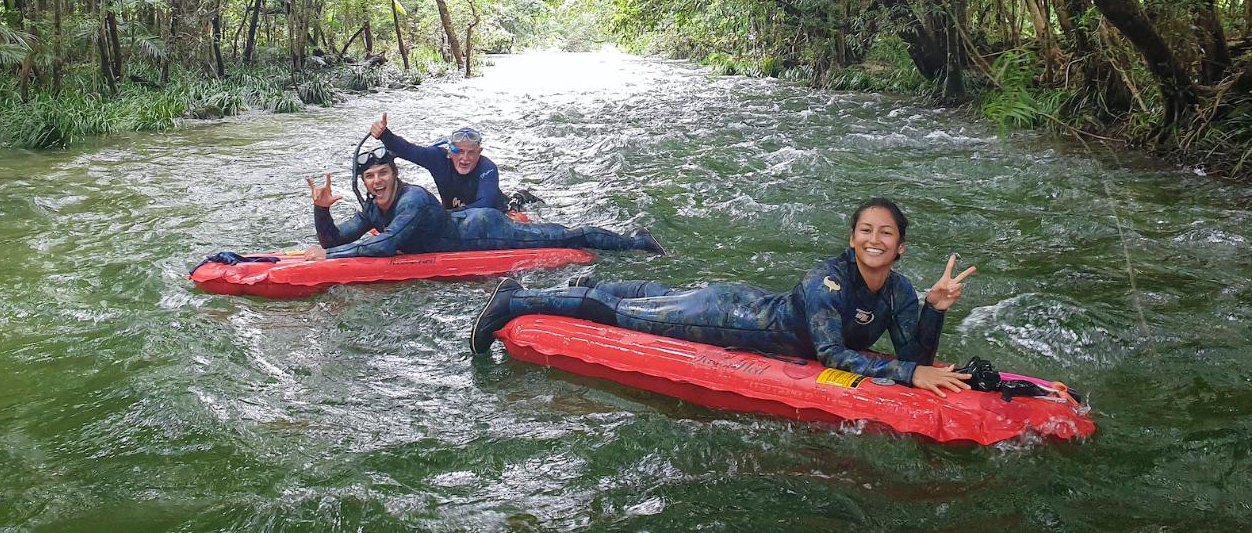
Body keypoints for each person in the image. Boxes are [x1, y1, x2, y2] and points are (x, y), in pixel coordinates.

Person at [469, 198, 974, 397]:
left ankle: (587, 285)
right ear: (852, 238)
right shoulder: (829, 280)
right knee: (627, 316)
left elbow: (915, 358)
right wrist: (910, 374)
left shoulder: (902, 291)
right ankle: (515, 300)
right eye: (866, 230)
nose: (875, 239)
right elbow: (833, 356)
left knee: (658, 299)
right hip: (730, 317)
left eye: (886, 233)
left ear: (900, 246)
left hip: (747, 302)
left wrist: (933, 312)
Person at [302, 143, 665, 260]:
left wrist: (329, 258)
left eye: (384, 173)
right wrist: (322, 211)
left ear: (395, 176)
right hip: (458, 226)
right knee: (564, 233)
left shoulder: (413, 200)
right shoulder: (372, 207)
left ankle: (637, 242)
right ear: (364, 183)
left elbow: (386, 244)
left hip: (483, 230)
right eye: (371, 176)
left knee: (568, 235)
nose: (377, 180)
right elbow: (336, 240)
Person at [366, 113, 507, 212]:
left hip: (495, 216)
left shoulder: (487, 168)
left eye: (471, 152)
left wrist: (442, 216)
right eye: (459, 152)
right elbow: (408, 150)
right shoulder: (439, 159)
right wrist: (384, 135)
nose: (465, 158)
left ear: (479, 152)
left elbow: (485, 206)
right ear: (450, 152)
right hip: (453, 217)